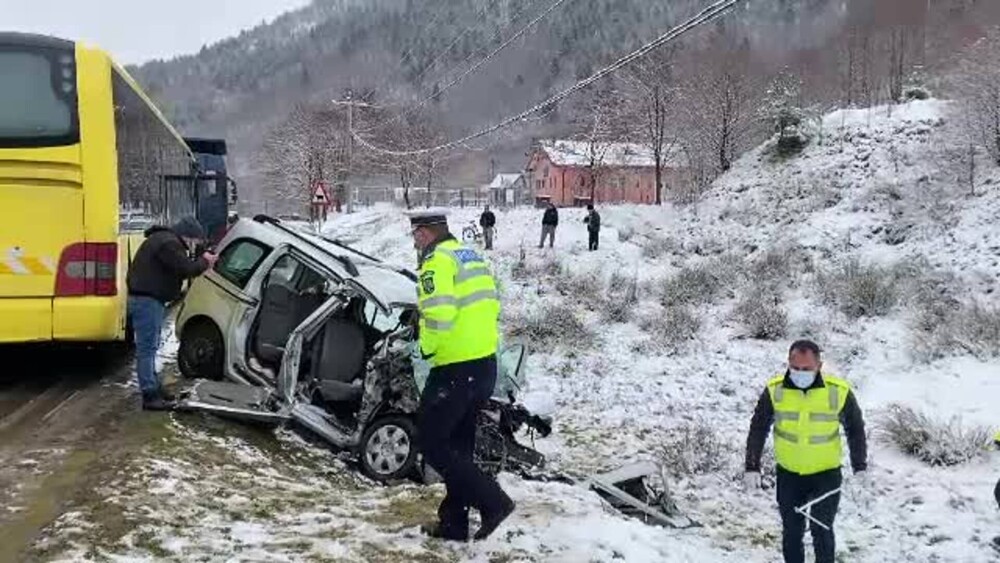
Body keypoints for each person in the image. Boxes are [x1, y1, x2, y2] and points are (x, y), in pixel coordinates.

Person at [407, 208, 514, 542]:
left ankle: (493, 502)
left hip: (454, 368)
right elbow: (490, 306)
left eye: (415, 236)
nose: (414, 243)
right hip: (483, 365)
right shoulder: (470, 255)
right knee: (458, 445)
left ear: (425, 233)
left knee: (431, 442)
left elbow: (438, 315)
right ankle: (453, 525)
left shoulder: (436, 261)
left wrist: (424, 348)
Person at [744, 339, 868, 563]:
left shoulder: (838, 392)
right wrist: (752, 466)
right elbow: (758, 427)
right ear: (789, 364)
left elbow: (856, 429)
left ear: (819, 366)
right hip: (789, 474)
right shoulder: (775, 391)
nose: (800, 373)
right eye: (795, 368)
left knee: (822, 529)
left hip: (826, 475)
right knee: (791, 532)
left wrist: (860, 465)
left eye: (806, 369)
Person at [126, 216, 218, 411]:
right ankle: (150, 396)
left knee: (150, 347)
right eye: (195, 241)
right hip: (147, 301)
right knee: (147, 349)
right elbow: (186, 268)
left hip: (148, 300)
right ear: (188, 236)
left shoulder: (163, 240)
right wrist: (205, 261)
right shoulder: (169, 244)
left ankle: (154, 388)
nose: (194, 245)